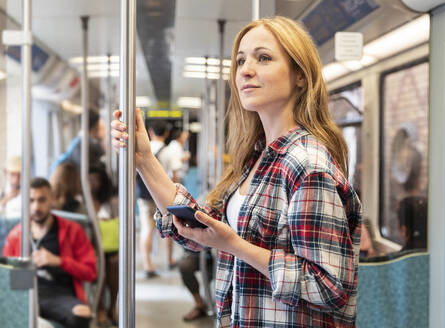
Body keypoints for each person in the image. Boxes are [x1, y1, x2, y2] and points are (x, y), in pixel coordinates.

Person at [111, 16, 362, 327]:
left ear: (300, 75)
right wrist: (144, 159)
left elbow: (329, 286)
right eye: (241, 60)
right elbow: (200, 235)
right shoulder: (257, 159)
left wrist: (234, 245)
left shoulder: (307, 165)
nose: (245, 69)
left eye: (263, 58)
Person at [2, 178, 96, 328]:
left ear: (51, 199)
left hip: (58, 293)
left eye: (42, 200)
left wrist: (58, 261)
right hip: (26, 293)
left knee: (82, 314)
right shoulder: (16, 235)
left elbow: (90, 272)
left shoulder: (72, 230)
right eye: (31, 201)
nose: (36, 207)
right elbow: (7, 279)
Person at [136, 120, 176, 276]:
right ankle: (169, 260)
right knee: (168, 228)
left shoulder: (142, 148)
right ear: (166, 133)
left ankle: (148, 265)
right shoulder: (168, 152)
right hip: (163, 195)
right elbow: (174, 174)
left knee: (147, 228)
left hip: (144, 195)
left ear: (150, 132)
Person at [88, 164, 119, 326]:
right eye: (89, 179)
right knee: (97, 264)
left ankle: (112, 306)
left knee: (115, 263)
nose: (92, 183)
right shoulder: (83, 201)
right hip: (90, 245)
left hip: (110, 245)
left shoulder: (110, 202)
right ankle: (99, 307)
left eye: (95, 179)